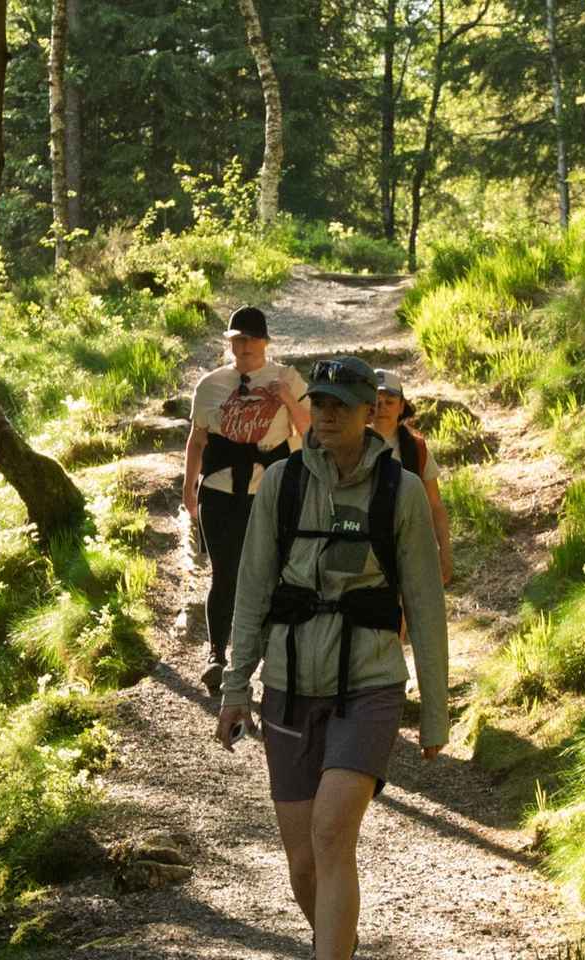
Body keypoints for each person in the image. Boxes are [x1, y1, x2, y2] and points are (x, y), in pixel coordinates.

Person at [215, 356, 449, 960]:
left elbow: (425, 604)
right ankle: (335, 942)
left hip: (369, 685)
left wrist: (435, 711)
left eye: (340, 405)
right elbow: (252, 588)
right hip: (289, 685)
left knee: (330, 833)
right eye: (318, 402)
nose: (325, 414)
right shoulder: (283, 483)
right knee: (302, 865)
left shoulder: (401, 491)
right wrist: (236, 687)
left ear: (370, 411)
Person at [184, 305, 310, 694]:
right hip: (219, 492)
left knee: (270, 574)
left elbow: (309, 432)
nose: (245, 346)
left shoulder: (287, 378)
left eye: (252, 339)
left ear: (266, 342)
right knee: (224, 574)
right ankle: (216, 657)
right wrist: (189, 487)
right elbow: (197, 440)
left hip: (270, 493)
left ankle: (269, 660)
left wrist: (287, 399)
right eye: (238, 339)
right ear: (230, 342)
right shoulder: (210, 385)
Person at [370, 369, 453, 587]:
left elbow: (435, 505)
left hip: (409, 545)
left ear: (401, 407)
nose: (381, 408)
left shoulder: (416, 448)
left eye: (389, 402)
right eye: (375, 402)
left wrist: (444, 551)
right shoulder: (351, 445)